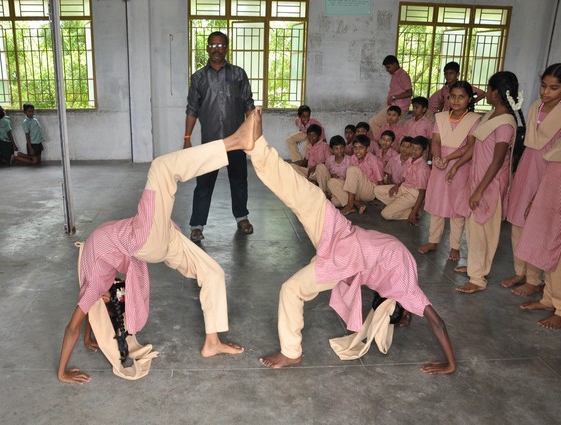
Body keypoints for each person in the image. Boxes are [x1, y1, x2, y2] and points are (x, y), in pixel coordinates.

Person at [242, 109, 454, 374]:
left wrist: (407, 313)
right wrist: (450, 364)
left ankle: (291, 352)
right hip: (342, 241)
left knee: (301, 197)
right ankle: (256, 146)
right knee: (300, 195)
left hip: (342, 246)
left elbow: (418, 305)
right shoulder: (406, 288)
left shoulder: (407, 275)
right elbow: (437, 322)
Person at [57, 119, 254, 385]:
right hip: (145, 238)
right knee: (161, 168)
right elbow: (72, 326)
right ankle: (234, 143)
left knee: (212, 273)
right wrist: (62, 372)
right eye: (107, 300)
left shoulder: (92, 280)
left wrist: (89, 338)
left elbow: (89, 310)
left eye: (105, 300)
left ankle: (212, 341)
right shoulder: (95, 285)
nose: (106, 296)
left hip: (161, 237)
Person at [183, 31, 255, 243]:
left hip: (236, 141)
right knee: (204, 184)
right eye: (213, 45)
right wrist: (187, 138)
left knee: (239, 180)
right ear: (207, 48)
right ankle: (197, 225)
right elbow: (192, 108)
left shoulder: (238, 74)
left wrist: (253, 135)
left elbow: (248, 105)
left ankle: (242, 218)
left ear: (226, 48)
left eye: (221, 45)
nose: (217, 49)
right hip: (210, 142)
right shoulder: (198, 78)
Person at [451, 72, 519, 294]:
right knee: (473, 227)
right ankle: (474, 266)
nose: (486, 93)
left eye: (488, 90)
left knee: (483, 229)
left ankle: (478, 278)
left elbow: (498, 161)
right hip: (478, 178)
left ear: (496, 93)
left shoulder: (505, 123)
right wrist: (457, 165)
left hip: (490, 184)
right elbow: (476, 147)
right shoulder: (491, 114)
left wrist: (480, 190)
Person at [503, 63, 561, 296]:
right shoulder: (536, 106)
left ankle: (535, 279)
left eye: (554, 88)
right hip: (528, 165)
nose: (546, 92)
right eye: (543, 86)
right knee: (518, 220)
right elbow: (529, 141)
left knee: (538, 226)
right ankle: (521, 271)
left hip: (550, 169)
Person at [418, 82, 481, 262]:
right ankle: (433, 241)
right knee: (437, 204)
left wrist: (449, 159)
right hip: (440, 165)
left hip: (460, 165)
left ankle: (455, 246)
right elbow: (436, 140)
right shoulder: (441, 117)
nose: (456, 100)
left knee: (457, 206)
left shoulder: (474, 119)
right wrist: (438, 157)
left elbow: (471, 146)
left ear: (469, 99)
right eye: (453, 96)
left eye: (461, 97)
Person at [516, 136, 561, 329]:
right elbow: (549, 171)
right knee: (549, 252)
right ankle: (549, 299)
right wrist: (535, 199)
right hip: (550, 197)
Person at [374, 136, 430, 225]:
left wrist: (413, 214)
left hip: (413, 194)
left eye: (418, 149)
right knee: (377, 190)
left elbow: (422, 193)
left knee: (385, 214)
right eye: (412, 147)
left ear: (424, 151)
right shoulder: (411, 161)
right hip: (403, 188)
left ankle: (412, 212)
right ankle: (403, 207)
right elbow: (405, 180)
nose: (414, 151)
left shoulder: (422, 168)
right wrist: (396, 186)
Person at [327, 135, 384, 215]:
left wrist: (382, 196)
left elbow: (380, 180)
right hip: (356, 191)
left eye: (361, 148)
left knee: (352, 169)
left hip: (369, 191)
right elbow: (351, 180)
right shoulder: (353, 158)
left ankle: (350, 205)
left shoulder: (373, 160)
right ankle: (357, 203)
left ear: (367, 149)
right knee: (332, 184)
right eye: (355, 148)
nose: (357, 151)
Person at [369, 55, 413, 137]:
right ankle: (386, 142)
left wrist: (394, 97)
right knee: (389, 128)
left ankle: (381, 141)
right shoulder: (395, 75)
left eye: (388, 67)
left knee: (373, 122)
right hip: (392, 106)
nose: (387, 70)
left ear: (395, 64)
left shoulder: (403, 75)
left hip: (399, 108)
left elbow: (409, 93)